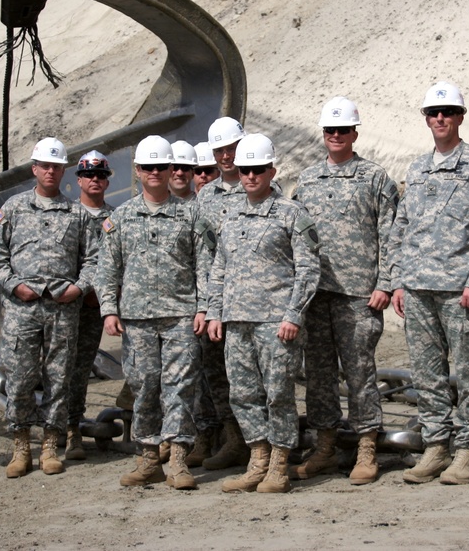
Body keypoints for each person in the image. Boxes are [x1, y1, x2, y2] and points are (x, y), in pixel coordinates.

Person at [389, 81, 469, 485]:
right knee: (427, 373)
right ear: (426, 119)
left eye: (447, 112)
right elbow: (402, 225)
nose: (439, 118)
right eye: (432, 113)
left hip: (463, 291)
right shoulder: (418, 168)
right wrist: (400, 280)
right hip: (420, 289)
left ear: (459, 117)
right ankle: (436, 445)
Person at [290, 96, 399, 485]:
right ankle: (325, 446)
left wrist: (386, 283)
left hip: (359, 295)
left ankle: (366, 446)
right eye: (330, 130)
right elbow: (296, 239)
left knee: (360, 372)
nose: (336, 136)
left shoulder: (374, 178)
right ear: (324, 134)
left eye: (343, 130)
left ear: (355, 132)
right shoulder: (306, 180)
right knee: (318, 374)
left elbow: (390, 234)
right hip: (317, 294)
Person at [95, 136, 212, 490]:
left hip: (181, 316)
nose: (156, 173)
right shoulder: (121, 217)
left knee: (180, 388)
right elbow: (107, 269)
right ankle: (148, 457)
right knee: (144, 386)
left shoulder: (192, 214)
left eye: (162, 166)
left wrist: (204, 306)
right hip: (137, 319)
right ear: (138, 171)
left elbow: (205, 265)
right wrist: (108, 310)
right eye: (149, 167)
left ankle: (177, 459)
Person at [206, 133, 321, 494]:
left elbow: (309, 270)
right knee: (242, 393)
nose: (250, 177)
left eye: (257, 169)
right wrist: (214, 313)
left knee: (279, 395)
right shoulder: (231, 215)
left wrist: (293, 316)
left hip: (277, 323)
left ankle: (279, 466)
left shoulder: (291, 214)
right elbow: (219, 268)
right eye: (244, 170)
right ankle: (257, 459)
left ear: (272, 171)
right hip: (237, 321)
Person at [0, 137, 98, 478]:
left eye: (56, 166)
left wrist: (78, 288)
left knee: (59, 377)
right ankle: (21, 447)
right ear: (34, 169)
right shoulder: (14, 209)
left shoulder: (78, 214)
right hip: (22, 308)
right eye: (44, 166)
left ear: (64, 171)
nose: (50, 171)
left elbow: (93, 259)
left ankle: (50, 445)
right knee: (19, 377)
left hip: (63, 309)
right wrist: (13, 284)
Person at [194, 116, 253, 472]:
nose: (226, 156)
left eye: (230, 148)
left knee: (256, 375)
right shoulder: (207, 197)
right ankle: (233, 438)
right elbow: (202, 255)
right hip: (217, 300)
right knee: (216, 373)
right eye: (219, 150)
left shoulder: (259, 185)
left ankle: (261, 442)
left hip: (253, 301)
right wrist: (205, 305)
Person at [65, 150, 116, 461]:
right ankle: (58, 426)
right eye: (89, 175)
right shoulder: (67, 216)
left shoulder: (116, 218)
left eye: (101, 175)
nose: (95, 180)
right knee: (59, 368)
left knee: (81, 368)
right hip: (67, 305)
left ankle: (72, 428)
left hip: (97, 308)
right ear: (79, 180)